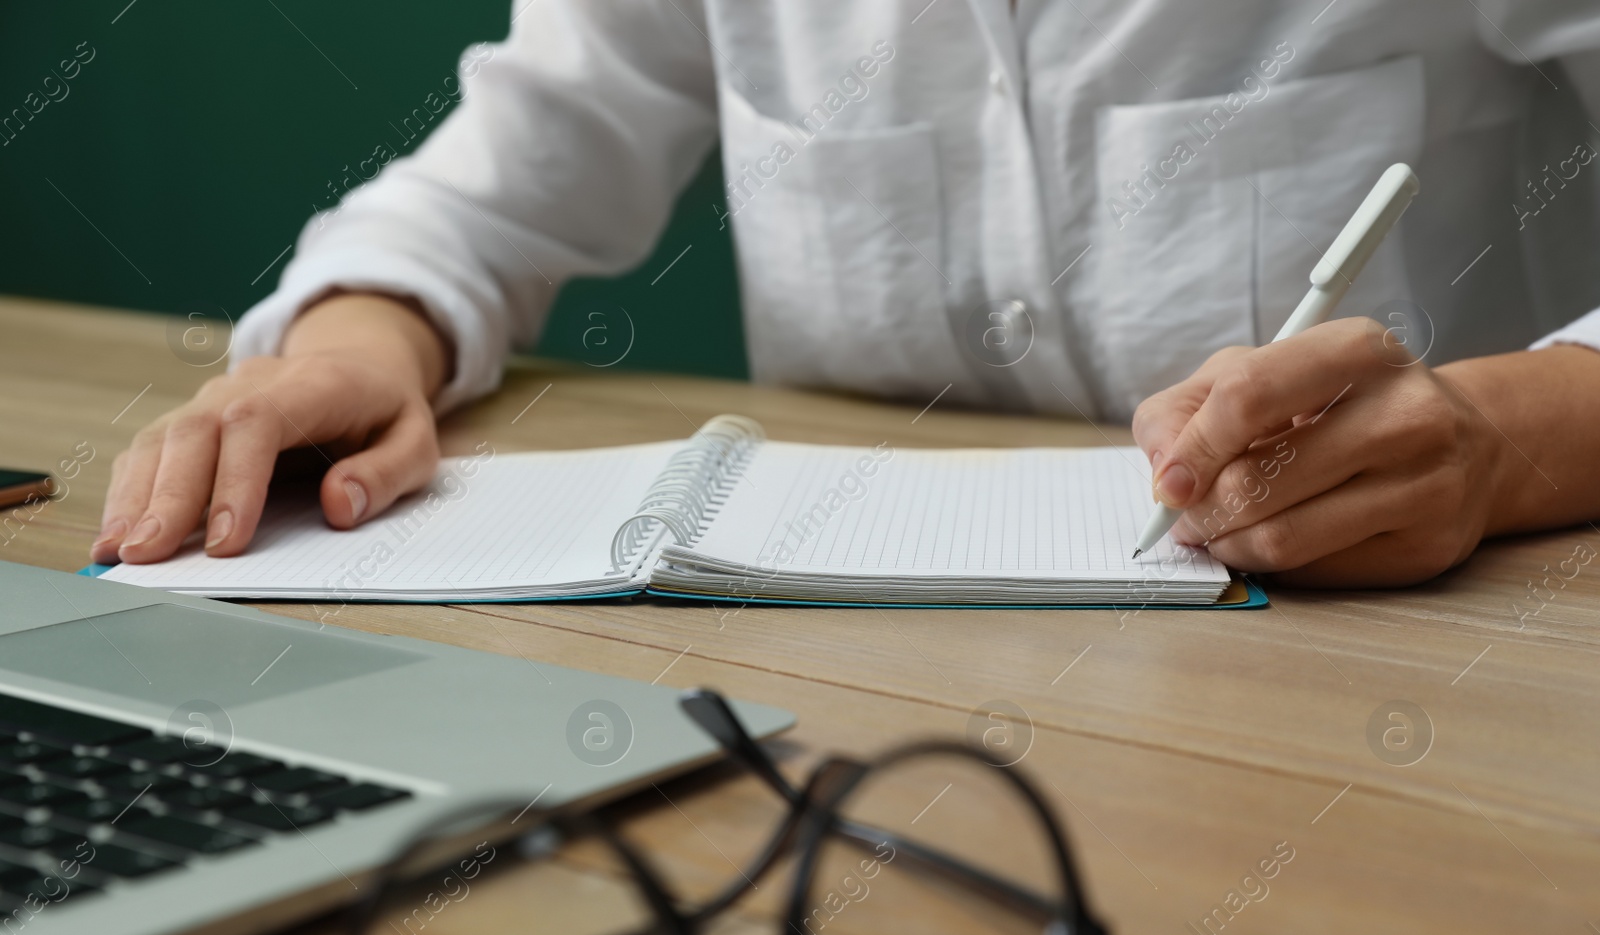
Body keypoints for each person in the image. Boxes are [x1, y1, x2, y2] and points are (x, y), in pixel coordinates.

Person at [94, 0, 1600, 587]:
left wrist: (1495, 432)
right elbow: (499, 176)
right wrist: (368, 333)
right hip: (829, 711)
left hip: (1389, 662)